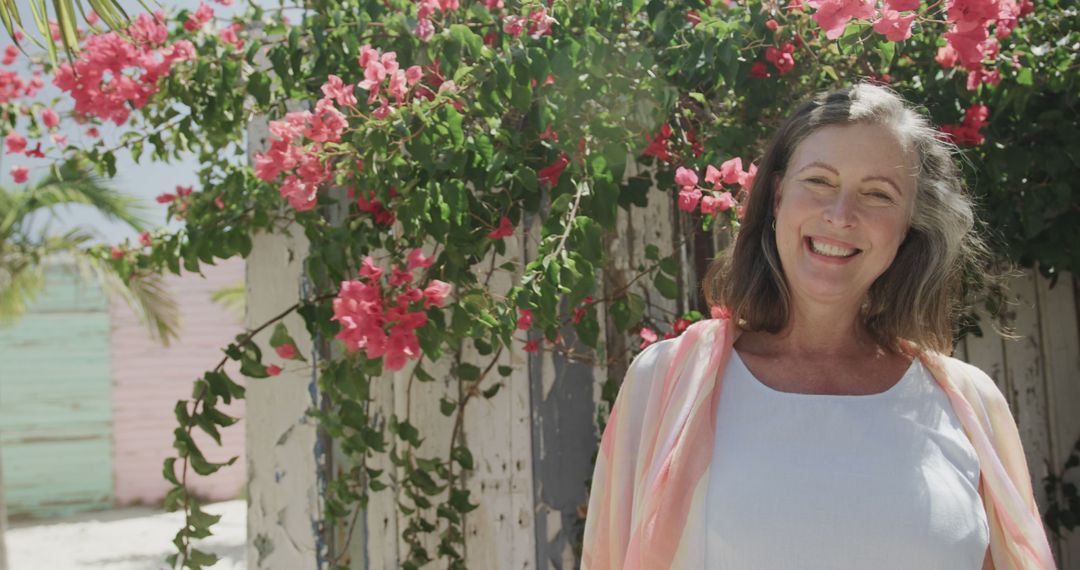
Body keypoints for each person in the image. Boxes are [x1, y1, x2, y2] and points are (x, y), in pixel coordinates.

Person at [580, 83, 1056, 570]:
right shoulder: (665, 385)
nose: (840, 215)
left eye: (877, 194)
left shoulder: (970, 406)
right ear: (778, 196)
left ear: (910, 225)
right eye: (820, 181)